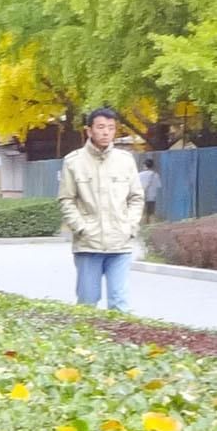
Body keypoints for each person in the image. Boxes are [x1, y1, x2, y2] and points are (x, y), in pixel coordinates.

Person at [57, 106, 144, 312]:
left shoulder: (125, 160)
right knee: (87, 304)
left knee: (120, 303)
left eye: (111, 128)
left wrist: (129, 226)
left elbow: (136, 197)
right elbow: (66, 200)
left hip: (120, 244)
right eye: (101, 127)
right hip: (89, 245)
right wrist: (81, 228)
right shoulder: (73, 162)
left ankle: (119, 343)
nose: (106, 132)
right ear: (89, 131)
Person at [138, 161, 161, 227]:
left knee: (143, 214)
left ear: (145, 165)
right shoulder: (155, 175)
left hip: (142, 196)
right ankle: (151, 228)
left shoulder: (140, 175)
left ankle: (142, 227)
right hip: (152, 197)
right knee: (152, 214)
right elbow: (158, 186)